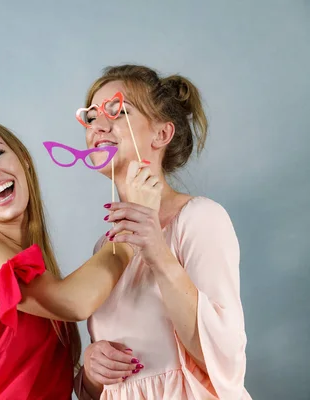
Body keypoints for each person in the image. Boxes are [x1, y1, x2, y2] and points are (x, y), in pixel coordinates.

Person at [0, 117, 160, 399]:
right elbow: (75, 303)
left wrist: (91, 369)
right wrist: (129, 232)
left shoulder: (40, 270)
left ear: (24, 160)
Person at [72, 65, 251, 399]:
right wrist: (93, 370)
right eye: (91, 117)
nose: (98, 125)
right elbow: (100, 392)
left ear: (161, 135)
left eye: (118, 110)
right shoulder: (106, 246)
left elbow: (225, 361)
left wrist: (156, 250)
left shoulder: (199, 218)